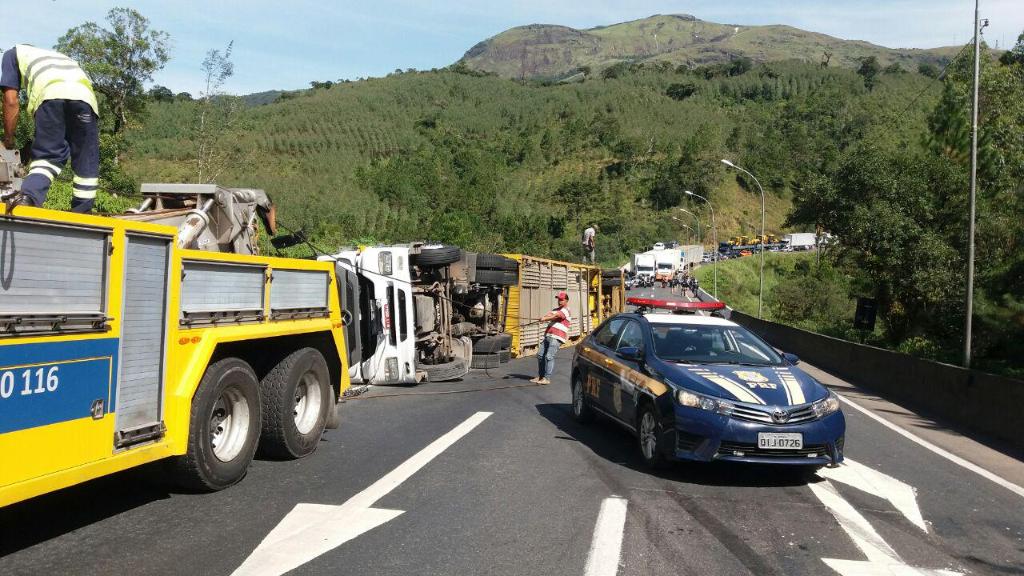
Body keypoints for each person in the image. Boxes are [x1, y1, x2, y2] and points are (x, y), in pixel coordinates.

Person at [1, 45, 100, 212]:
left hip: (50, 96)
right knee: (86, 160)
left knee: (48, 157)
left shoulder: (12, 54)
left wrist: (8, 141)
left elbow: (10, 100)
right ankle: (82, 213)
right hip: (85, 99)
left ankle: (28, 198)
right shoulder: (55, 57)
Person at [531, 291, 572, 385]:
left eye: (561, 300)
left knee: (549, 356)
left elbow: (556, 316)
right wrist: (543, 318)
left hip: (557, 337)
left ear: (566, 300)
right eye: (558, 299)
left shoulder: (566, 310)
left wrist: (545, 318)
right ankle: (541, 377)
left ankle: (547, 378)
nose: (559, 301)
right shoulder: (556, 309)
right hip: (549, 335)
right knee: (540, 355)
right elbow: (549, 315)